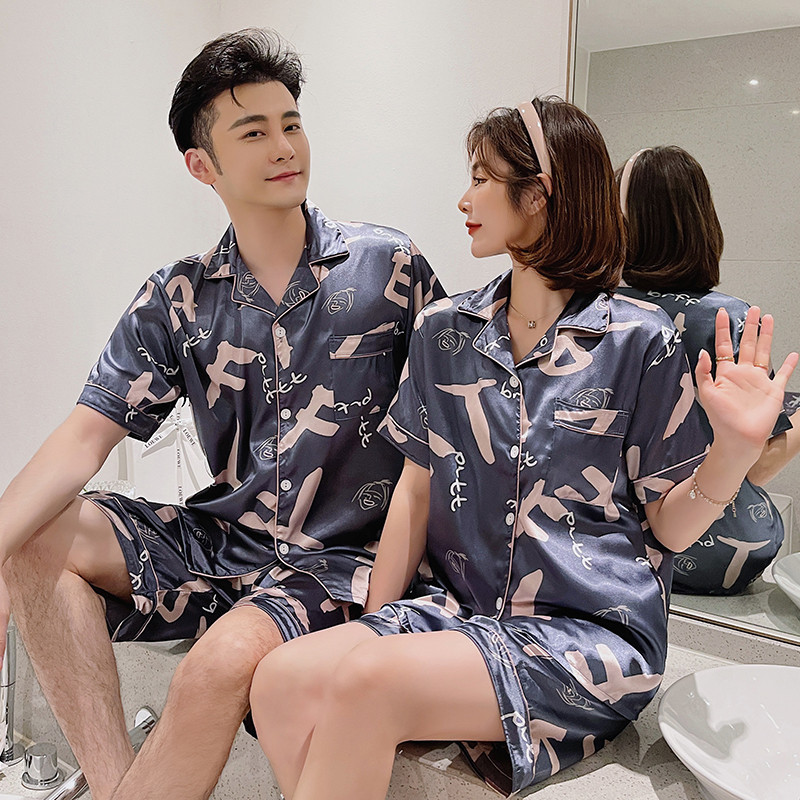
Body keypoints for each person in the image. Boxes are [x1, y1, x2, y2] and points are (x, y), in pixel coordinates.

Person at [247, 97, 797, 799]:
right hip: (459, 612)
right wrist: (380, 619)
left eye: (481, 179)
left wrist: (734, 453)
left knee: (366, 682)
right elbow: (415, 488)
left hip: (586, 636)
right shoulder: (444, 329)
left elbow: (669, 526)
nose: (464, 199)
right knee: (280, 679)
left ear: (538, 194)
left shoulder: (639, 339)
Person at [0, 28, 443, 800]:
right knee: (32, 538)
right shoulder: (178, 297)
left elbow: (451, 436)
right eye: (254, 131)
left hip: (341, 560)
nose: (285, 146)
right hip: (226, 542)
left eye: (291, 123)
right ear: (201, 165)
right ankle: (114, 784)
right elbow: (82, 438)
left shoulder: (388, 268)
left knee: (214, 666)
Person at [616, 145, 800, 594]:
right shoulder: (729, 319)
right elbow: (755, 467)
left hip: (611, 546)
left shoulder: (596, 311)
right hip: (713, 556)